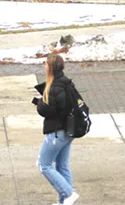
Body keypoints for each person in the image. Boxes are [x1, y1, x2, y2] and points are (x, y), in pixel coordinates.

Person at [33, 54, 79, 205]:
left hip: (57, 132)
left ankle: (69, 194)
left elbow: (47, 111)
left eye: (46, 64)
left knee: (43, 164)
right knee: (62, 165)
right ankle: (63, 201)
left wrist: (39, 104)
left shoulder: (54, 88)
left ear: (50, 67)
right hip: (68, 130)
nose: (44, 66)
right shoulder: (67, 82)